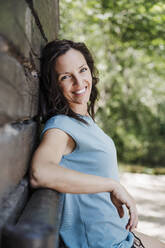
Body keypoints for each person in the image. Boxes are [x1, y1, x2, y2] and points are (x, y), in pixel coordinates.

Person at [30, 39, 165, 248]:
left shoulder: (84, 122)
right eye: (66, 77)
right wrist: (111, 186)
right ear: (54, 85)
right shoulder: (60, 126)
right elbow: (40, 172)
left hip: (121, 235)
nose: (79, 82)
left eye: (82, 70)